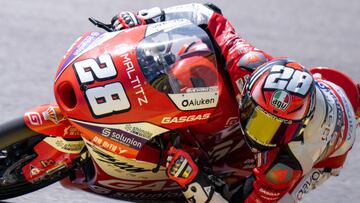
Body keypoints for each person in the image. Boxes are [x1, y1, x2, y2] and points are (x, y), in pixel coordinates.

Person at [110, 3, 360, 202]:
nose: (257, 133)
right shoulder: (249, 64)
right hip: (319, 85)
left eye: (272, 129)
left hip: (330, 150)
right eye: (256, 116)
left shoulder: (288, 162)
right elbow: (208, 14)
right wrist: (147, 17)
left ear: (297, 129)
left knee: (269, 195)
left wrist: (195, 183)